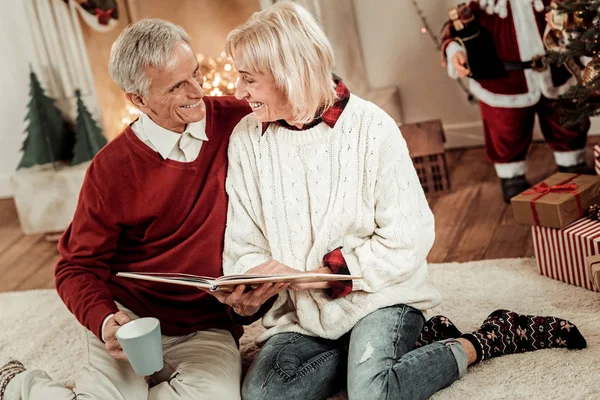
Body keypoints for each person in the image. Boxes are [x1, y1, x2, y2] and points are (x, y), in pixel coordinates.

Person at [208, 3, 588, 400]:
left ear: (289, 74)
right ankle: (367, 357)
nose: (238, 92)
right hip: (303, 318)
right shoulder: (248, 140)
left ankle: (484, 339)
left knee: (374, 395)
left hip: (381, 297)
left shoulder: (371, 128)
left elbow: (410, 236)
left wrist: (321, 275)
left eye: (248, 79)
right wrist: (248, 291)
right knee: (265, 395)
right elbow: (244, 242)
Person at [0, 18, 286, 400]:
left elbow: (312, 102)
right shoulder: (110, 169)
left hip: (207, 326)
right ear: (138, 99)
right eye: (177, 86)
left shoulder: (239, 121)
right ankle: (21, 384)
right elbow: (75, 266)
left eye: (196, 74)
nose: (197, 91)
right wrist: (104, 322)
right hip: (132, 318)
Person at [442, 0, 593, 203]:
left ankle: (572, 161)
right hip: (505, 81)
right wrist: (455, 51)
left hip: (555, 72)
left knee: (565, 119)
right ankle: (511, 176)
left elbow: (578, 17)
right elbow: (453, 32)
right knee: (506, 130)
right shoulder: (483, 5)